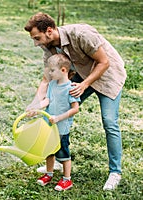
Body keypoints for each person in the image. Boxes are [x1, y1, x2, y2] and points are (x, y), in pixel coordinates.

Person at [24, 12, 127, 191]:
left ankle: (115, 172)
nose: (36, 43)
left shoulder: (80, 34)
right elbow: (46, 79)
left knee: (110, 122)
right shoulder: (48, 47)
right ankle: (58, 158)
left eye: (37, 38)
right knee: (54, 111)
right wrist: (35, 103)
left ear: (49, 31)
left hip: (108, 75)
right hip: (80, 73)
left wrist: (85, 84)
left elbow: (104, 62)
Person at [35, 54, 80, 191]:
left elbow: (75, 109)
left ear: (63, 70)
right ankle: (49, 174)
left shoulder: (70, 88)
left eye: (52, 70)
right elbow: (47, 100)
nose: (49, 73)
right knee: (49, 151)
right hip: (49, 126)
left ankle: (67, 180)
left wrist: (58, 118)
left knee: (63, 154)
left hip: (61, 128)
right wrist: (36, 107)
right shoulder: (52, 84)